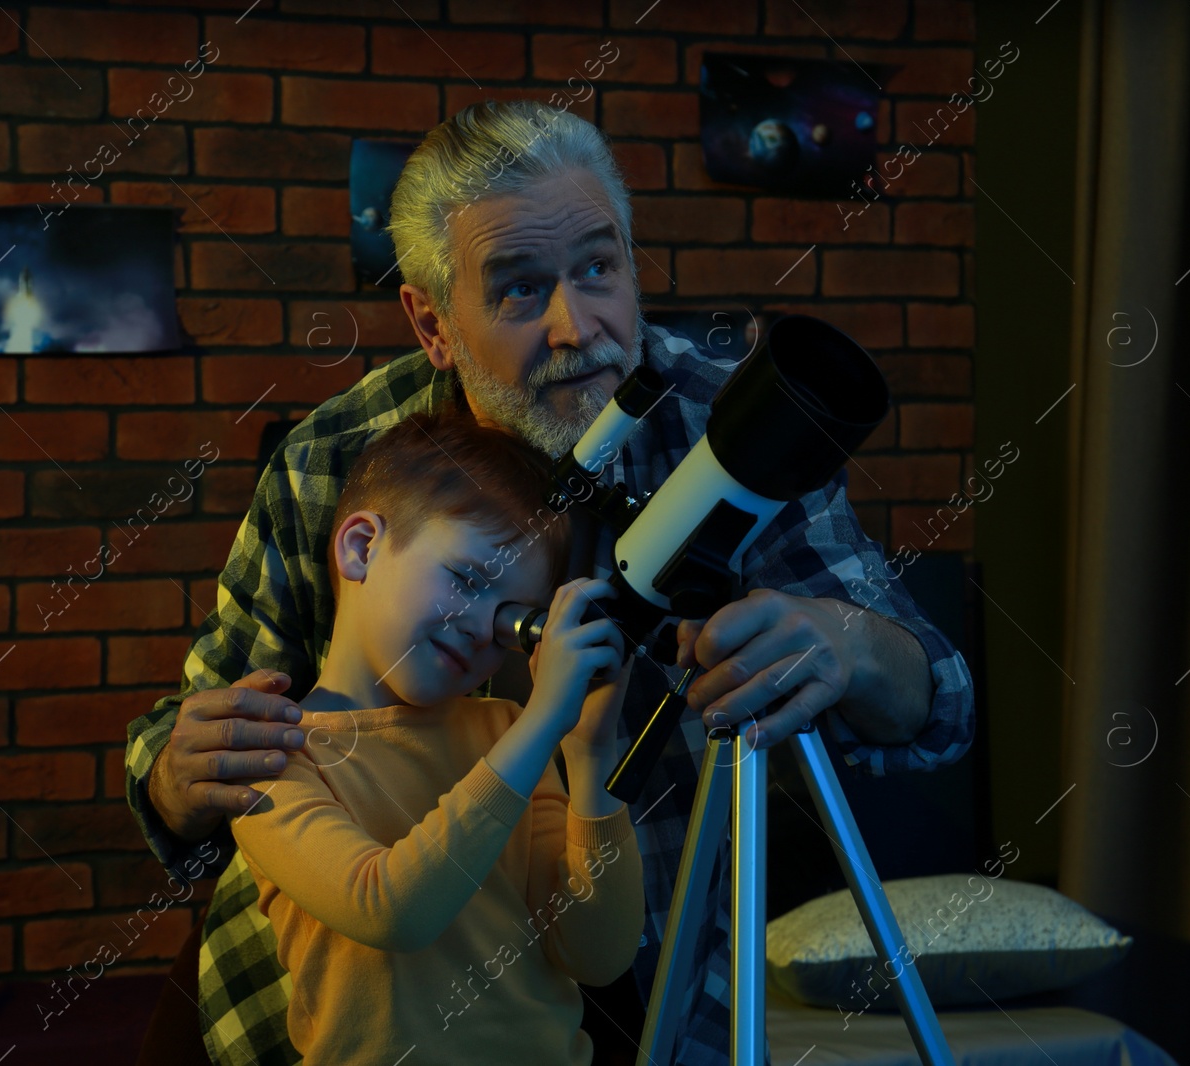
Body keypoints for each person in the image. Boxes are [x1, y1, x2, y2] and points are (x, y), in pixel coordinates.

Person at [126, 99, 975, 1066]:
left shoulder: (729, 430)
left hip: (633, 955)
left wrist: (847, 643)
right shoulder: (336, 458)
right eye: (521, 290)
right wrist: (176, 773)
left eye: (599, 270)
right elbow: (190, 741)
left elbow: (938, 703)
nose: (579, 328)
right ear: (433, 323)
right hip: (329, 991)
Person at [225, 406, 644, 1065]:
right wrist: (541, 724)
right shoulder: (267, 753)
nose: (483, 629)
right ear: (362, 548)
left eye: (512, 619)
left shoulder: (501, 730)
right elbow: (392, 910)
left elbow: (596, 954)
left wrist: (590, 757)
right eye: (467, 580)